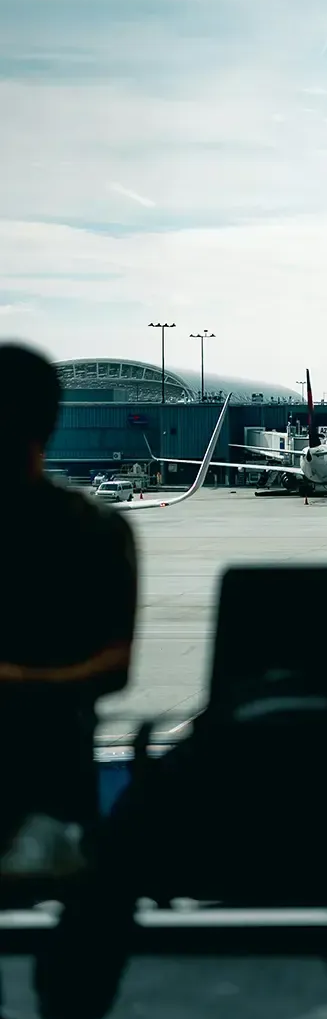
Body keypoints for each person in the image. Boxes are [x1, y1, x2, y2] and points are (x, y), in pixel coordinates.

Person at [0, 344, 139, 865]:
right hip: (59, 760)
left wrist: (18, 683)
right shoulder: (97, 529)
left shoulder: (93, 530)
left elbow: (116, 666)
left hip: (52, 764)